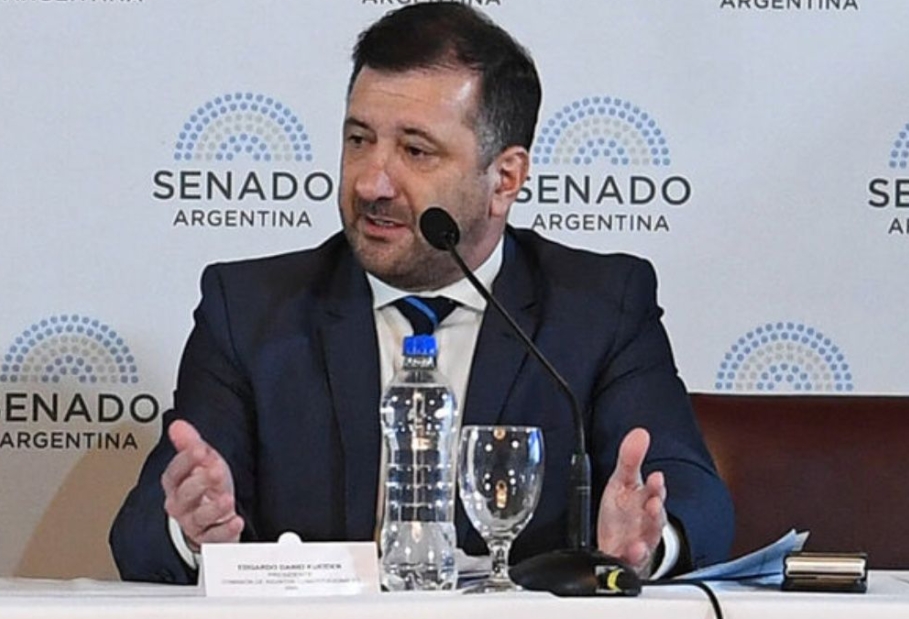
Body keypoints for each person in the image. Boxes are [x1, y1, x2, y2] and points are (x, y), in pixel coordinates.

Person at [110, 4, 733, 585]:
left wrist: (648, 542)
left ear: (504, 179)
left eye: (415, 150)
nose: (373, 181)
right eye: (358, 140)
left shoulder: (599, 306)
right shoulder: (249, 309)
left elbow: (694, 496)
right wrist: (190, 530)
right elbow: (138, 535)